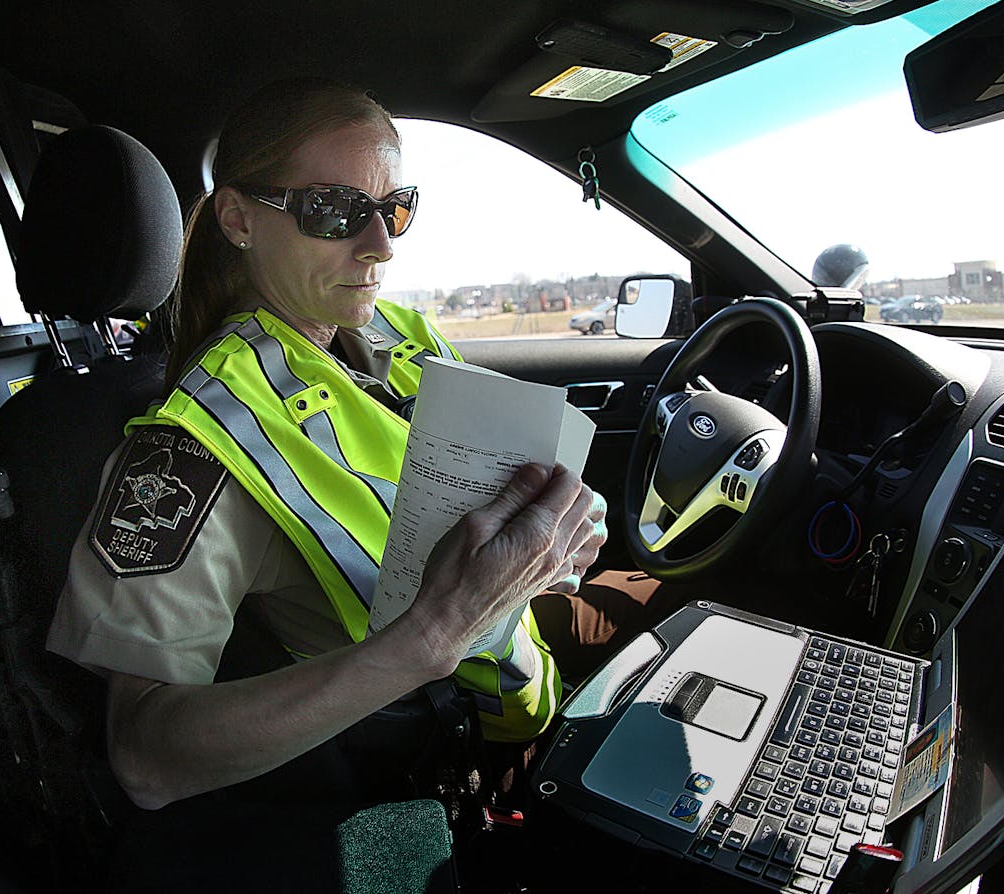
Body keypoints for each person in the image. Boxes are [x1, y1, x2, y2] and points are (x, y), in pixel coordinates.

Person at [46, 78, 678, 817]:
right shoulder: (191, 450)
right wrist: (429, 638)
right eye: (333, 210)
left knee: (699, 598)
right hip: (460, 749)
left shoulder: (400, 335)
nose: (379, 243)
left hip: (521, 651)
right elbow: (145, 757)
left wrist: (562, 532)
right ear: (240, 219)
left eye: (393, 208)